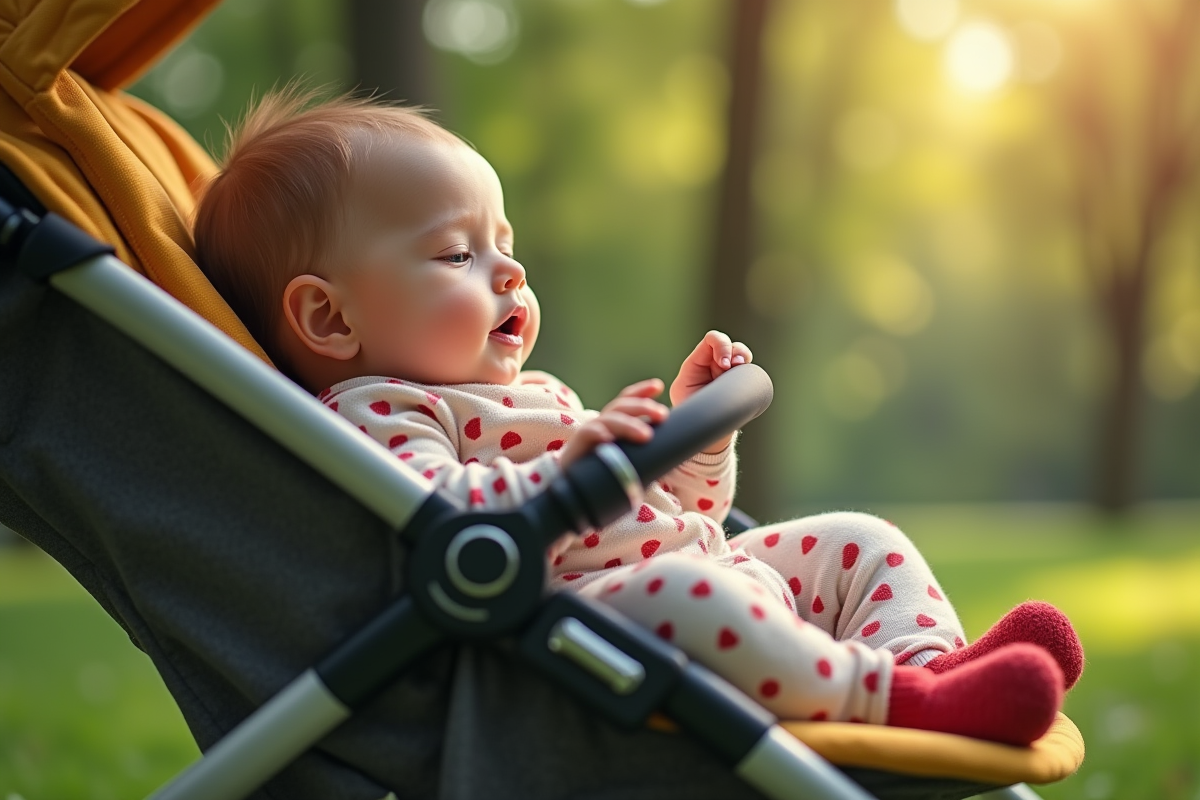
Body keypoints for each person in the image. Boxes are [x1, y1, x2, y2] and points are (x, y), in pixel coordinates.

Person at [194, 89, 1083, 746]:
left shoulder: (527, 397)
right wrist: (564, 476)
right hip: (568, 636)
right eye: (457, 253)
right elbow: (450, 527)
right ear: (330, 319)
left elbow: (679, 517)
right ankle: (897, 704)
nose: (507, 273)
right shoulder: (375, 414)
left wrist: (696, 438)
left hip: (699, 572)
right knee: (685, 591)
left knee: (859, 539)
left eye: (505, 246)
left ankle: (931, 662)